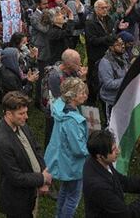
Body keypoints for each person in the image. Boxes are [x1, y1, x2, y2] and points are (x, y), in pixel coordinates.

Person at [0, 91, 51, 218]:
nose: (26, 117)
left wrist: (42, 173)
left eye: (26, 112)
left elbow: (36, 148)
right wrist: (42, 178)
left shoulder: (21, 124)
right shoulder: (2, 141)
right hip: (17, 199)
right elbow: (15, 177)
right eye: (21, 114)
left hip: (31, 189)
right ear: (8, 114)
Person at [44, 77, 90, 218]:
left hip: (63, 161)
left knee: (65, 191)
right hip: (72, 165)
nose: (85, 95)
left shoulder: (60, 109)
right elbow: (78, 148)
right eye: (81, 93)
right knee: (73, 198)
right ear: (72, 96)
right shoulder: (72, 120)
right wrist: (91, 151)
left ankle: (59, 215)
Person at [81, 129, 140, 218]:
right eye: (113, 150)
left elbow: (123, 182)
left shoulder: (100, 161)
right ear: (100, 156)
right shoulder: (99, 187)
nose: (118, 151)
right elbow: (126, 215)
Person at [97, 31, 134, 119]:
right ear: (111, 48)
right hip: (111, 100)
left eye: (122, 43)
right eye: (118, 45)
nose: (123, 46)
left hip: (124, 97)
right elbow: (109, 84)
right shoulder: (105, 63)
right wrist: (126, 79)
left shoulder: (123, 56)